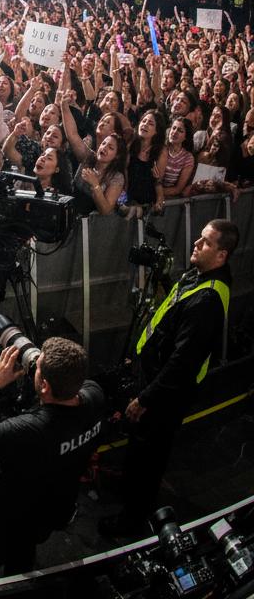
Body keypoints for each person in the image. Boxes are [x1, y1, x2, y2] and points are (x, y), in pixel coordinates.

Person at [100, 219, 235, 539]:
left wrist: (144, 399)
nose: (196, 244)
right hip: (154, 378)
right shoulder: (198, 276)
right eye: (199, 238)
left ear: (221, 255)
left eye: (206, 242)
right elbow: (170, 321)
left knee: (149, 457)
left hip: (166, 395)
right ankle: (127, 488)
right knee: (139, 447)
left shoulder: (208, 300)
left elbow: (182, 363)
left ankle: (131, 520)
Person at [0, 337, 104, 581]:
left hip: (7, 518)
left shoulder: (28, 430)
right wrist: (45, 366)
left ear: (44, 385)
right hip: (52, 511)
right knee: (22, 557)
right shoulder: (94, 397)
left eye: (38, 368)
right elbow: (73, 380)